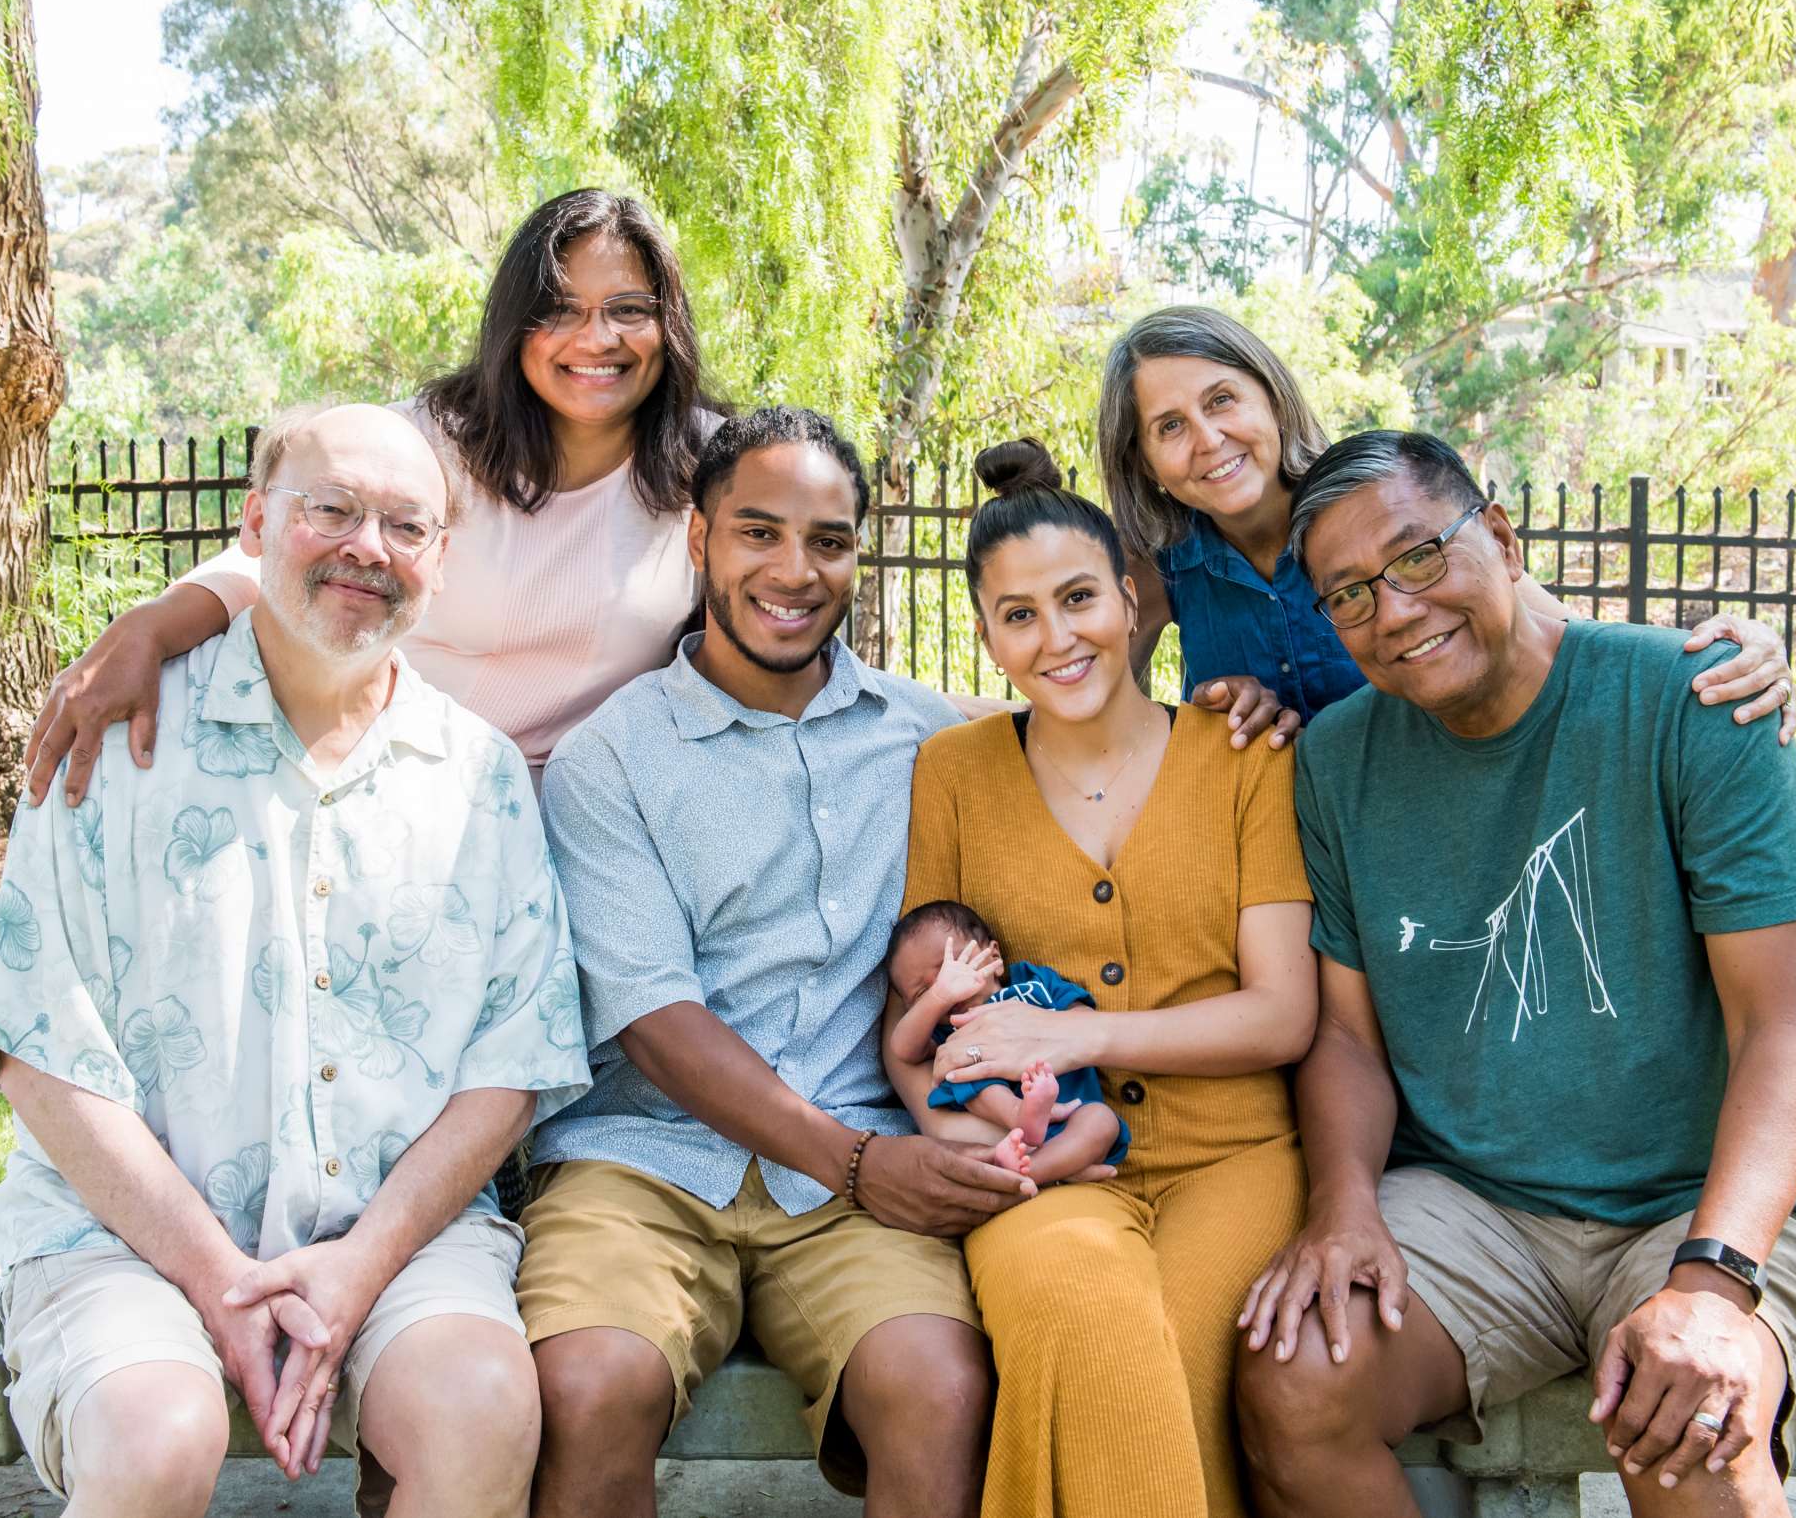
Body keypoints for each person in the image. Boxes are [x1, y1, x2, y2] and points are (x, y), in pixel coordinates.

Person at [0, 404, 592, 1518]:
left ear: (439, 563)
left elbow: (514, 1059)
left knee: (483, 1405)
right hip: (125, 1237)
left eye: (405, 524)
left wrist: (358, 1268)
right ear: (254, 523)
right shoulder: (118, 734)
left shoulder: (479, 776)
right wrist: (217, 1277)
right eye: (331, 509)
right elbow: (42, 1055)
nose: (366, 547)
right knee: (156, 1435)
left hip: (400, 1231)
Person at [1233, 430, 1796, 1518]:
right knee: (1298, 1378)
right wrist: (1344, 1209)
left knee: (1690, 1428)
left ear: (1501, 535)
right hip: (1477, 1206)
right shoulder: (1339, 761)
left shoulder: (1693, 701)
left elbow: (1785, 1027)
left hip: (1706, 1200)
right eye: (1346, 596)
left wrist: (1713, 1284)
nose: (1392, 612)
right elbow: (1345, 1036)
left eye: (1419, 558)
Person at [520, 406, 1034, 1518]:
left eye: (830, 541)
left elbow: (1089, 722)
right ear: (700, 543)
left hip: (860, 1172)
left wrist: (1225, 713)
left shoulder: (922, 735)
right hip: (644, 1158)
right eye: (758, 533)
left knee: (939, 1387)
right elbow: (655, 1020)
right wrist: (856, 1161)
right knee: (588, 1383)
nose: (794, 571)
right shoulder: (611, 755)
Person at [900, 437, 1320, 1518]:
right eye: (1019, 615)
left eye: (1080, 598)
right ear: (989, 639)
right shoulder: (951, 772)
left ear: (1133, 600)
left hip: (1232, 1157)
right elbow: (919, 1012)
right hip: (1033, 1167)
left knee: (1171, 1359)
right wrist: (949, 1130)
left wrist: (1079, 1040)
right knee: (1087, 1324)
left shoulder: (1244, 754)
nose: (1058, 637)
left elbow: (1281, 1015)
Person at [21, 187, 721, 804]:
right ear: (516, 324)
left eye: (628, 308)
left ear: (667, 324)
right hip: (394, 791)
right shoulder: (431, 442)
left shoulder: (710, 465)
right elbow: (302, 552)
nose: (598, 338)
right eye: (561, 309)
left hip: (591, 813)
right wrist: (147, 626)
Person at [1092, 305, 1796, 748]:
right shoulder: (1158, 566)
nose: (1209, 439)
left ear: (1272, 401)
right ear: (1146, 461)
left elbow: (1560, 639)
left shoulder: (1374, 511)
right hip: (1260, 873)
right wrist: (1206, 720)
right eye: (1170, 426)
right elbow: (1100, 721)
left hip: (1423, 834)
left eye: (1223, 400)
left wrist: (1721, 653)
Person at [881, 899, 1130, 1186]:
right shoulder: (945, 1032)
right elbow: (902, 1048)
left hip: (1071, 1112)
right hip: (1000, 1129)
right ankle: (1022, 1120)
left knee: (1102, 1120)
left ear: (993, 956)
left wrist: (1046, 1028)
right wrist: (938, 998)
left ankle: (1028, 1172)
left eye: (955, 965)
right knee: (962, 1072)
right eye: (924, 991)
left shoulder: (1034, 986)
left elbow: (1084, 1021)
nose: (950, 984)